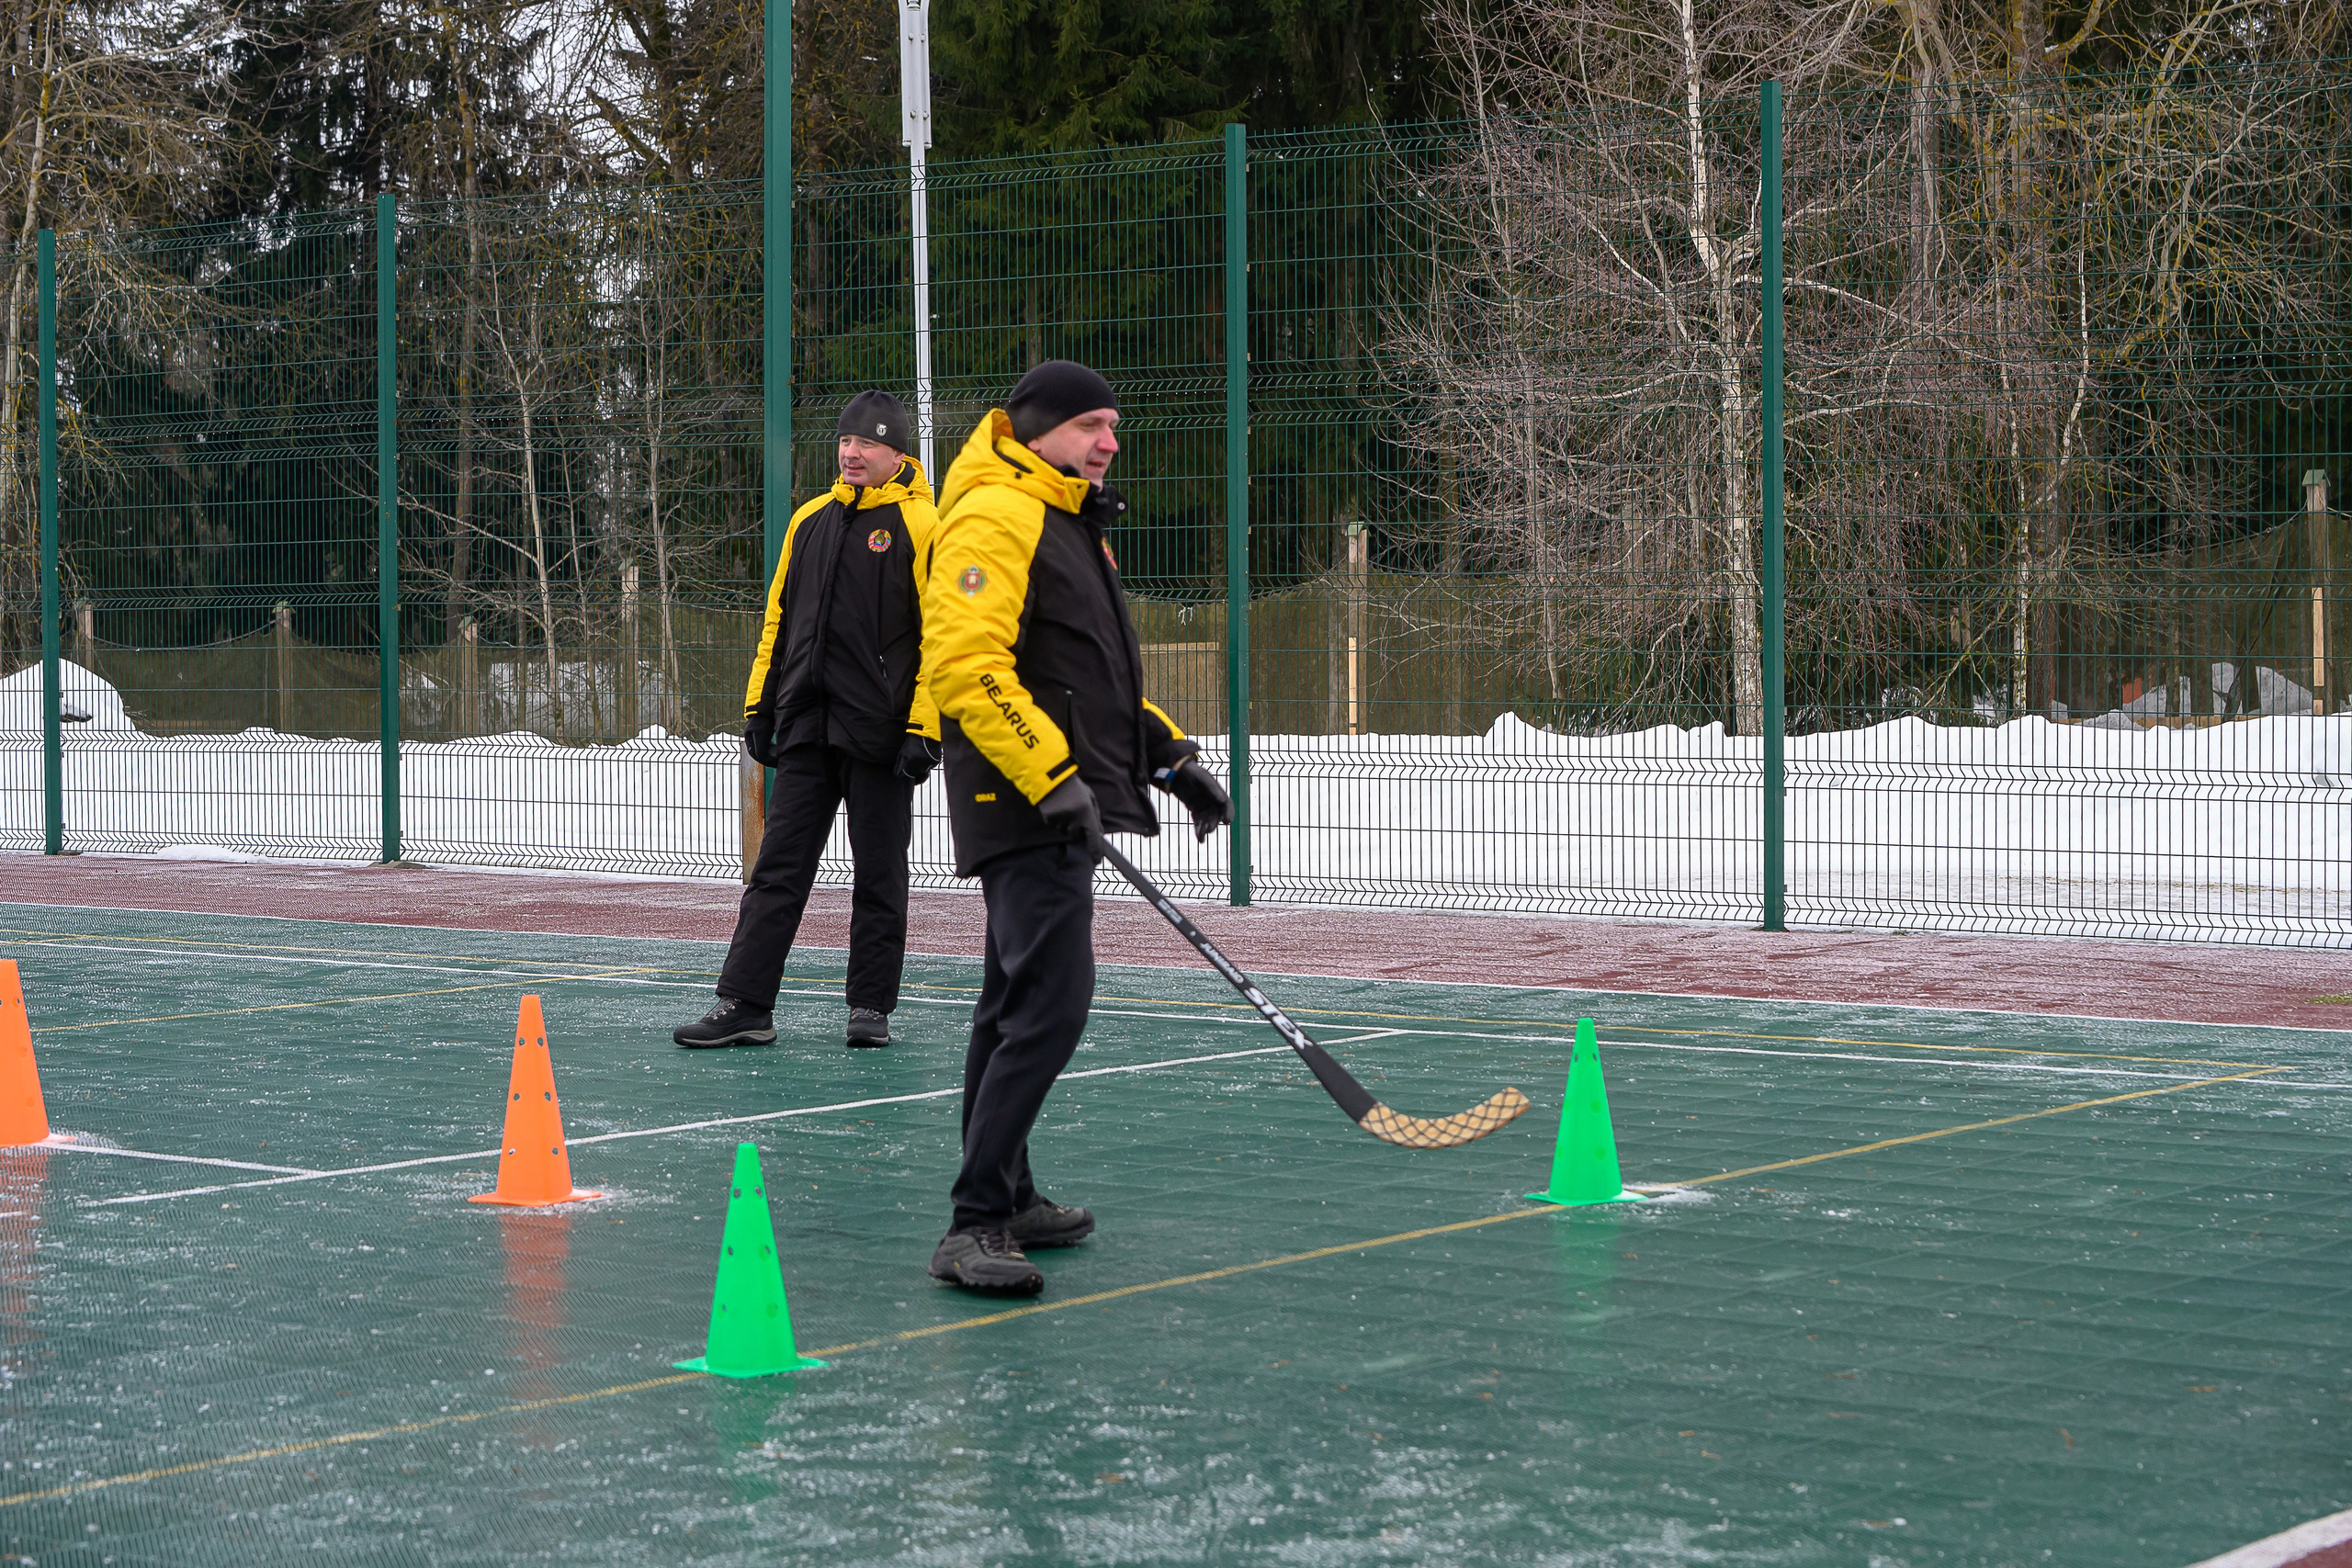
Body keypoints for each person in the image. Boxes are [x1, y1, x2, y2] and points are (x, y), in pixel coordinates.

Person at [919, 360, 1233, 1293]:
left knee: (1012, 1002)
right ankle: (974, 1224)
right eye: (1092, 424)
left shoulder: (1063, 518)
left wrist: (1169, 757)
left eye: (1113, 424)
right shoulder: (994, 514)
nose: (1109, 441)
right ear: (1037, 429)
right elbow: (966, 665)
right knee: (1051, 1004)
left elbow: (1088, 677)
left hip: (1051, 799)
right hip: (1023, 802)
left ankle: (1007, 1196)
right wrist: (1050, 775)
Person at [674, 391, 942, 1051]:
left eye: (867, 443)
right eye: (845, 440)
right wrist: (760, 707)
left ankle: (870, 1007)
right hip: (806, 728)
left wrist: (925, 727)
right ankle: (745, 1003)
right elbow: (778, 621)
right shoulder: (809, 521)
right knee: (777, 870)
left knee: (879, 874)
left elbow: (944, 636)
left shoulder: (925, 524)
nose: (851, 452)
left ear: (897, 454)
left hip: (882, 735)